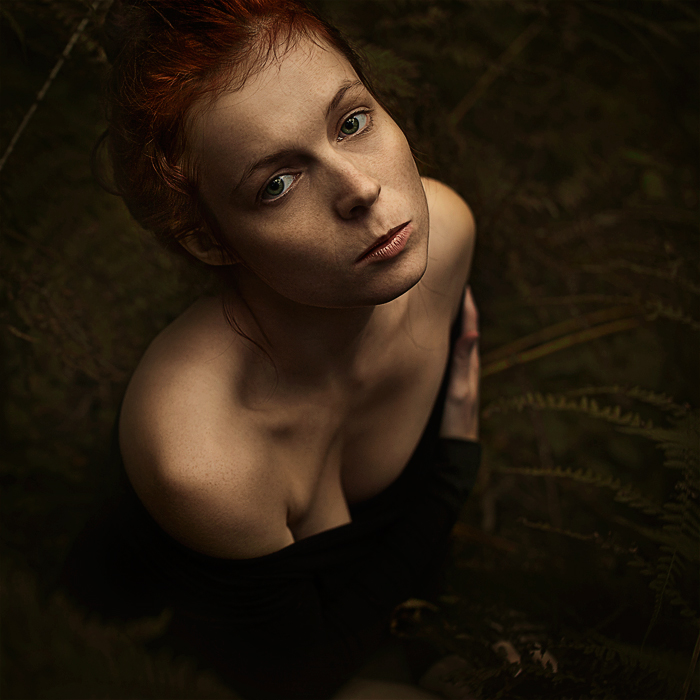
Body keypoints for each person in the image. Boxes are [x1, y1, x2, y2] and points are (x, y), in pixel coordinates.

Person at [62, 1, 480, 698]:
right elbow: (299, 673)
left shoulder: (446, 237)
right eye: (277, 185)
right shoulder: (201, 454)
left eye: (352, 122)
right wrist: (452, 469)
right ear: (209, 239)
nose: (362, 189)